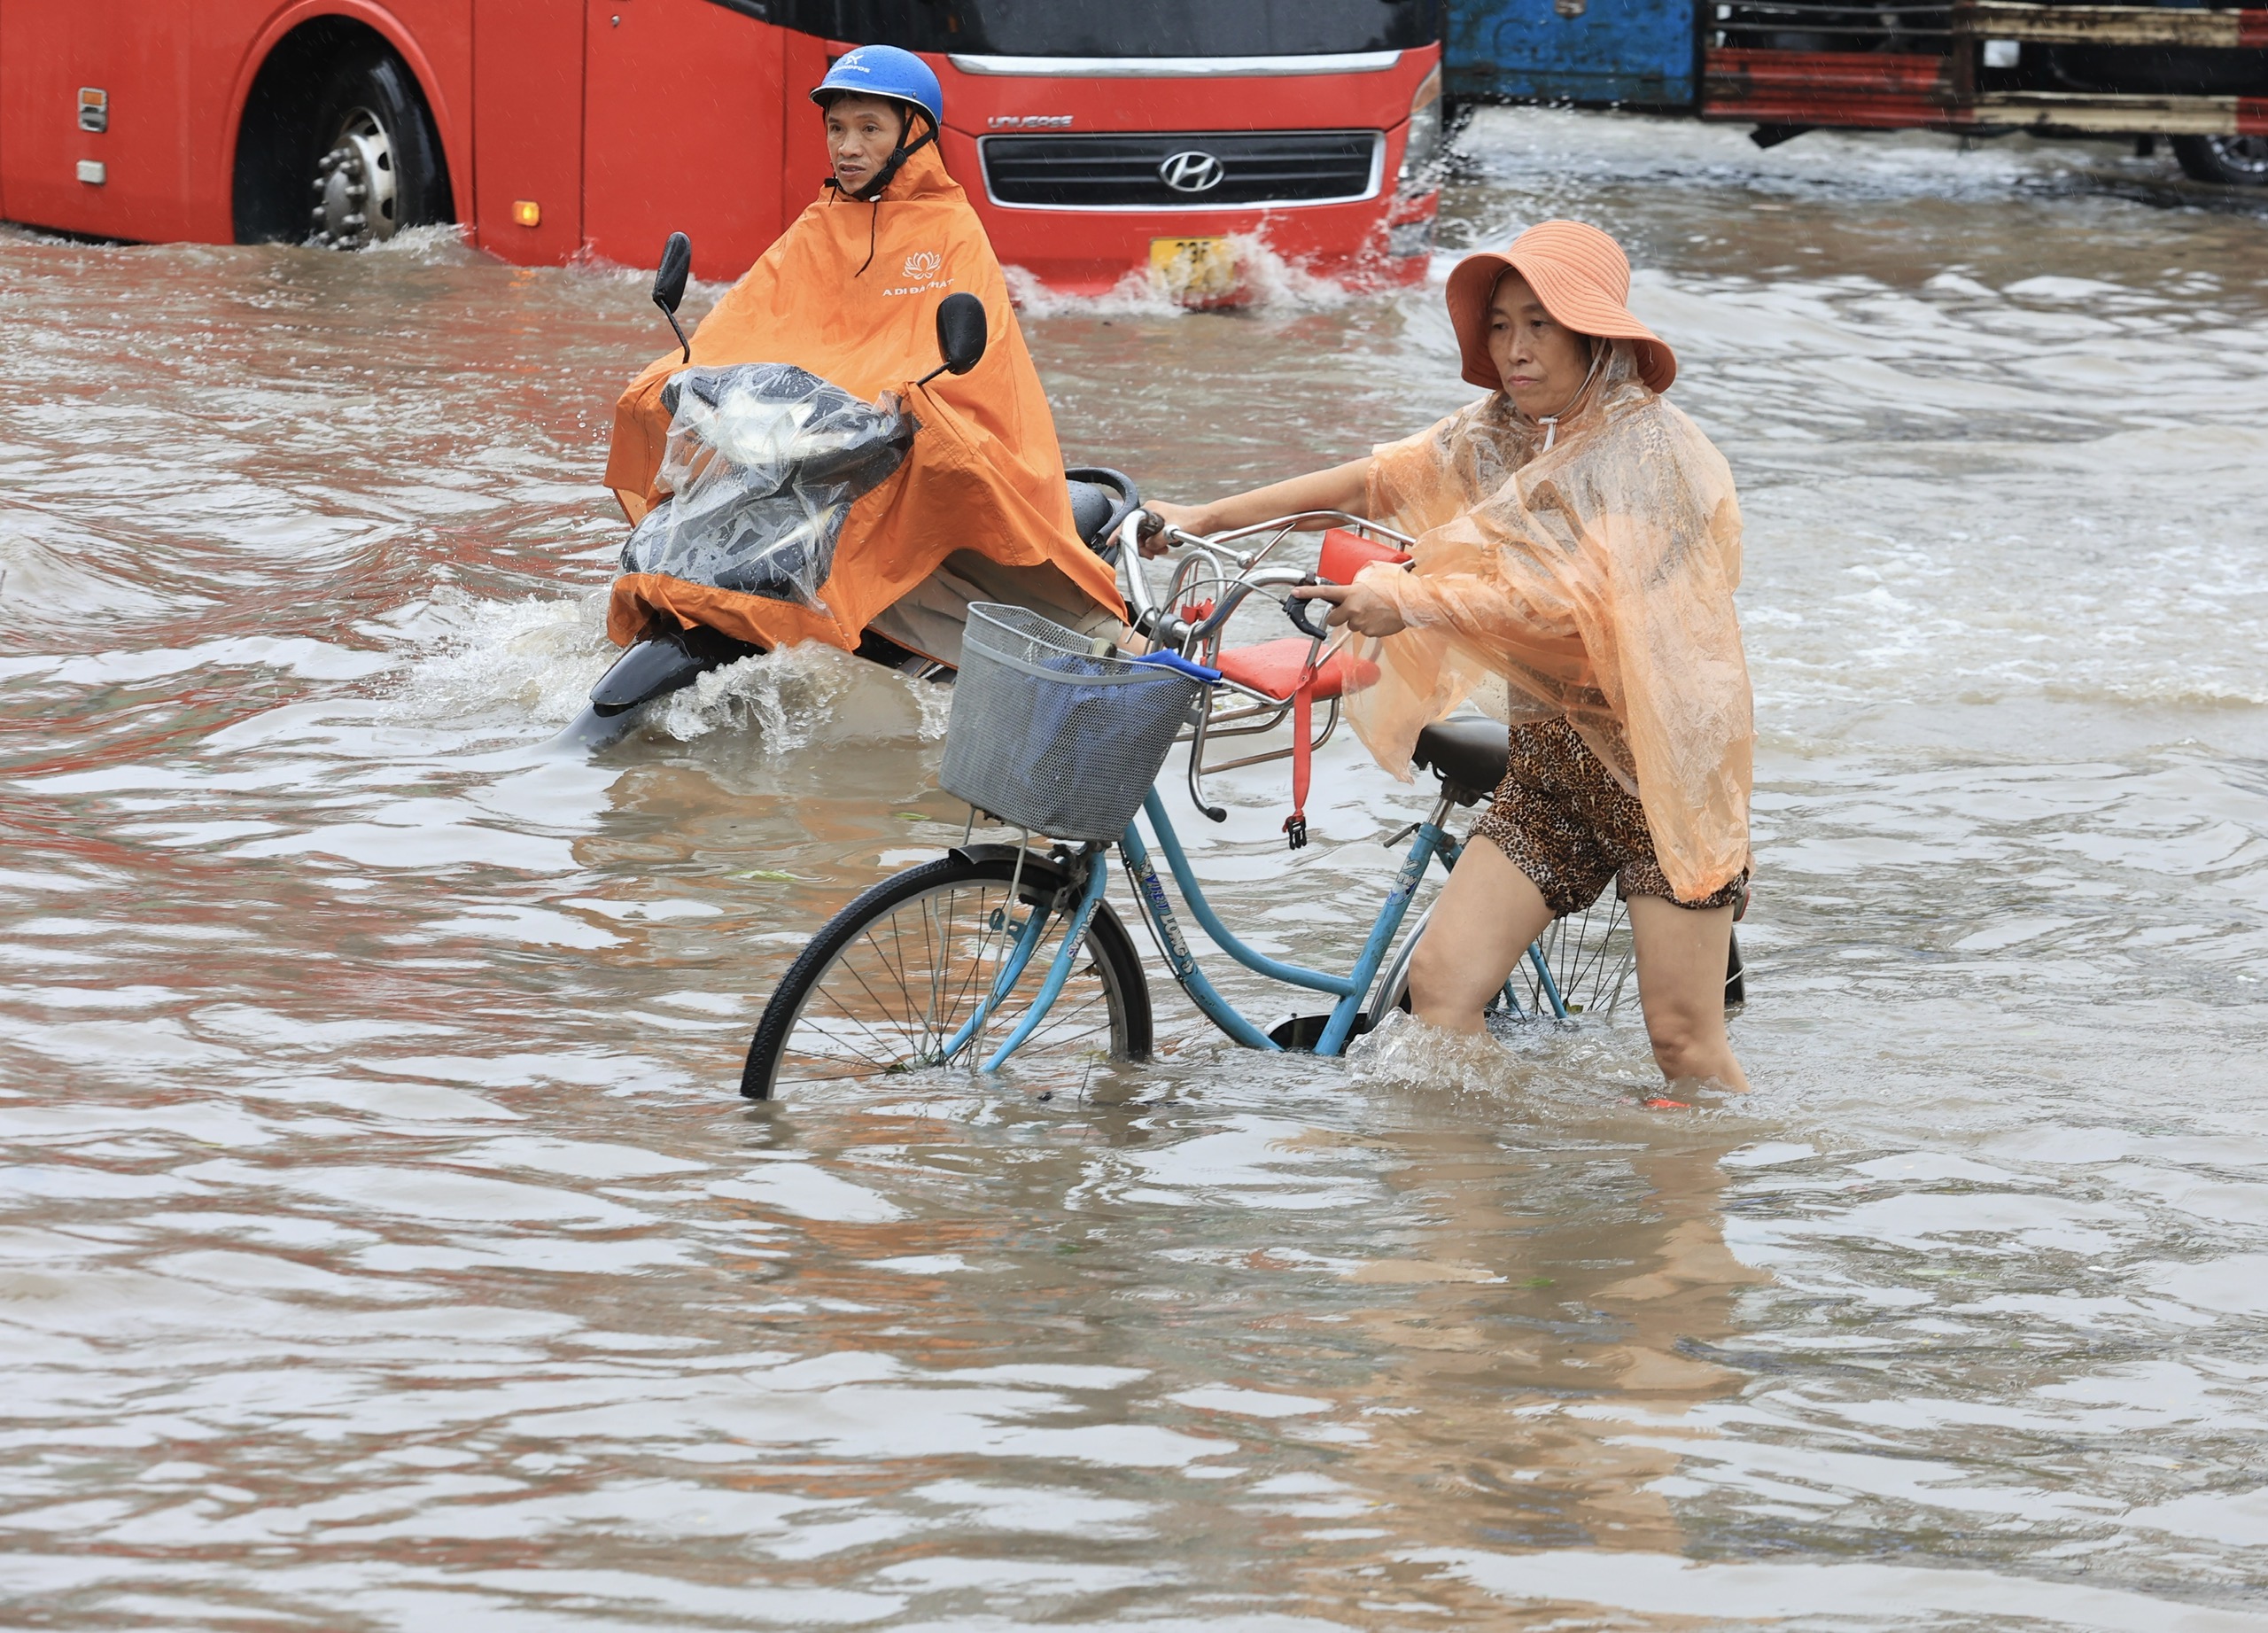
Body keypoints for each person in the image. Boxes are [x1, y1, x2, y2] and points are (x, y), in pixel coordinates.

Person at [1146, 221, 1753, 1091]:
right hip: (1552, 770)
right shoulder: (1506, 432)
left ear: (1594, 333)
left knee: (1683, 1044)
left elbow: (1578, 606)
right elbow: (1370, 485)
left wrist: (1411, 596)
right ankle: (1491, 1203)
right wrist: (1206, 517)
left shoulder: (1651, 453)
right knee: (1436, 996)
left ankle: (1728, 1201)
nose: (1514, 348)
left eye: (1539, 324)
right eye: (1500, 325)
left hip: (1665, 780)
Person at [600, 45, 1123, 666]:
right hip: (823, 439)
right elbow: (748, 320)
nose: (847, 147)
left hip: (905, 437)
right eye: (837, 128)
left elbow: (970, 365)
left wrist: (905, 395)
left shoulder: (953, 231)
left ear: (914, 135)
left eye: (869, 129)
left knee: (1089, 634)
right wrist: (679, 370)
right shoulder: (816, 226)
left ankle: (1115, 653)